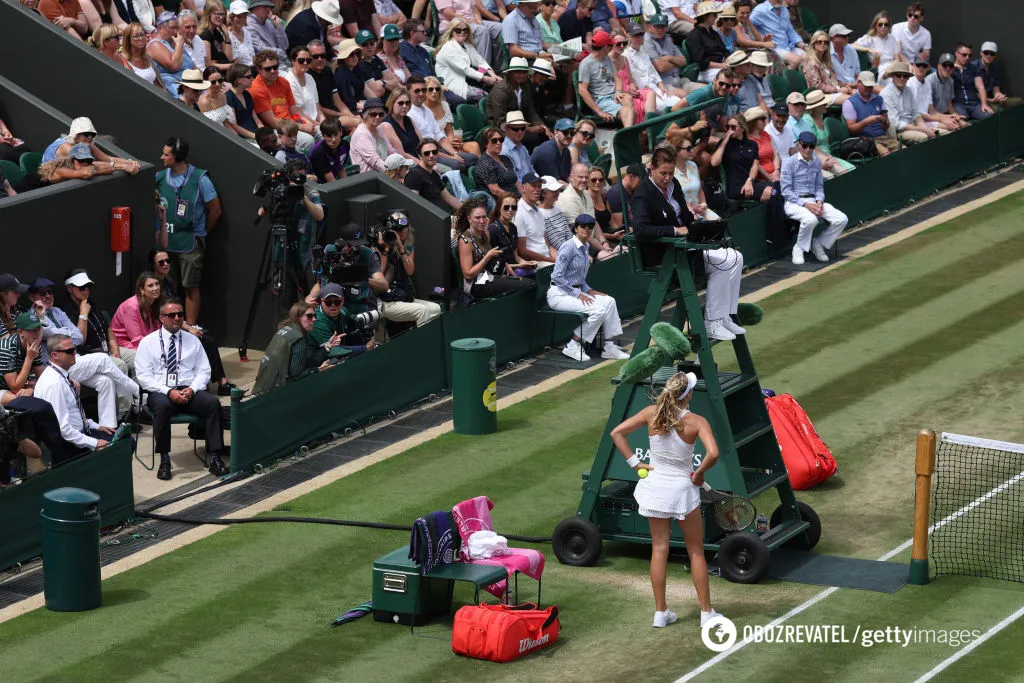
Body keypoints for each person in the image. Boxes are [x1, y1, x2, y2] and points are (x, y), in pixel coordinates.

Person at [609, 371, 723, 629]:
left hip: (656, 487)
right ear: (689, 394)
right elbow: (713, 453)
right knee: (695, 550)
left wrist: (636, 465)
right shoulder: (697, 422)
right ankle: (706, 614)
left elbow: (617, 433)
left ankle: (661, 612)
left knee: (659, 548)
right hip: (681, 490)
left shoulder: (652, 413)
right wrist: (700, 472)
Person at [136, 298, 228, 479]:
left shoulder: (193, 341)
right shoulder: (148, 343)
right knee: (163, 407)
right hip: (161, 391)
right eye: (171, 315)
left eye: (180, 314)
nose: (177, 318)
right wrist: (169, 391)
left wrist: (192, 389)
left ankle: (216, 458)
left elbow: (204, 371)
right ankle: (164, 459)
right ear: (161, 318)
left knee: (212, 403)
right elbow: (143, 377)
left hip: (188, 389)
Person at [546, 214, 630, 361]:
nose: (586, 229)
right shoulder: (568, 247)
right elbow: (557, 277)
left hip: (575, 291)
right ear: (576, 229)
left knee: (609, 301)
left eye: (590, 227)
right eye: (583, 226)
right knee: (598, 310)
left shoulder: (586, 246)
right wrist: (577, 294)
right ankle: (573, 344)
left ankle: (609, 347)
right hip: (559, 294)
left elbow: (579, 279)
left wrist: (589, 290)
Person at [156, 137, 221, 326]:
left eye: (166, 154)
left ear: (177, 157)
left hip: (190, 243)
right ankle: (170, 323)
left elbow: (215, 210)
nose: (162, 157)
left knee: (190, 286)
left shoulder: (200, 179)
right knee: (167, 286)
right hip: (167, 241)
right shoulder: (160, 177)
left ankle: (190, 327)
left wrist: (201, 232)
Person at [34, 334, 118, 453]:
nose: (74, 353)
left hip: (80, 433)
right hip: (71, 444)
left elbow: (73, 414)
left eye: (74, 349)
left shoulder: (60, 375)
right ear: (54, 355)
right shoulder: (55, 384)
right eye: (69, 351)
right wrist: (95, 443)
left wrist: (96, 426)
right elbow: (63, 429)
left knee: (124, 438)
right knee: (123, 444)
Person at [781, 131, 848, 266]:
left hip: (813, 201)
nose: (808, 149)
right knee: (810, 220)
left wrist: (819, 201)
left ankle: (818, 243)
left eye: (811, 147)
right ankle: (799, 248)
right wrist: (805, 204)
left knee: (841, 219)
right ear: (799, 145)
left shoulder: (817, 162)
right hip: (794, 203)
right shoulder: (788, 163)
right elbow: (785, 191)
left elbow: (819, 187)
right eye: (805, 146)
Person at [374, 211, 443, 328]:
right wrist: (385, 249)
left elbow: (410, 270)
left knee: (436, 309)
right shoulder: (381, 246)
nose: (402, 232)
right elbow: (379, 272)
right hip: (386, 302)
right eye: (398, 229)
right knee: (422, 311)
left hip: (403, 297)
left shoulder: (408, 245)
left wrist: (401, 247)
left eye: (405, 228)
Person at [457, 198, 536, 299]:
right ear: (469, 219)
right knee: (527, 286)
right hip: (476, 284)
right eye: (477, 218)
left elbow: (494, 263)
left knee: (530, 283)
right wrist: (487, 257)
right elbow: (468, 275)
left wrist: (515, 265)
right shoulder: (465, 241)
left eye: (484, 217)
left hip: (491, 276)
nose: (482, 221)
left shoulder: (485, 233)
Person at [252, 301, 333, 395]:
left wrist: (327, 345)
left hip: (262, 386)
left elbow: (305, 361)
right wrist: (319, 370)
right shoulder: (299, 339)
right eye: (309, 316)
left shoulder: (285, 329)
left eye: (315, 315)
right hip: (274, 394)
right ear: (298, 318)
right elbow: (297, 376)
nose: (314, 319)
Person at [250, 49, 318, 152]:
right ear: (259, 69)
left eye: (275, 67)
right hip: (277, 130)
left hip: (292, 124)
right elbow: (273, 122)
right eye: (268, 69)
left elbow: (294, 110)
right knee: (308, 140)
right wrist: (302, 127)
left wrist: (303, 123)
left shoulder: (283, 81)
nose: (273, 71)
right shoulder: (256, 88)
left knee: (321, 132)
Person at [408, 76, 475, 171]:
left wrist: (454, 154)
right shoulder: (410, 114)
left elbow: (440, 136)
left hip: (441, 147)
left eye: (423, 90)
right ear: (410, 93)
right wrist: (450, 157)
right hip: (429, 152)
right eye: (417, 91)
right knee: (457, 164)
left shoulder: (427, 111)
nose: (421, 93)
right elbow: (424, 147)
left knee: (473, 158)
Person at [436, 18, 502, 104]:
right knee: (486, 97)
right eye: (458, 30)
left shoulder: (466, 45)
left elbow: (480, 61)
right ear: (452, 32)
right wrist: (487, 79)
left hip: (470, 81)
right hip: (455, 86)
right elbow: (465, 69)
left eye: (465, 30)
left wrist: (493, 75)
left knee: (500, 88)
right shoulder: (448, 48)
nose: (462, 32)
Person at [44, 116, 141, 173]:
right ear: (76, 135)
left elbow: (108, 159)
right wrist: (123, 166)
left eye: (92, 134)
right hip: (50, 180)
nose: (90, 137)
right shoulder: (66, 147)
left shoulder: (85, 144)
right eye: (86, 134)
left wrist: (131, 162)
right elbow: (87, 164)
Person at [110, 272, 163, 373]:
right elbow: (137, 339)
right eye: (151, 285)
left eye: (157, 284)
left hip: (144, 343)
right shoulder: (132, 306)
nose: (156, 288)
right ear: (142, 290)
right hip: (124, 345)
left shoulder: (155, 302)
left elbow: (158, 330)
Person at [307, 283, 376, 354]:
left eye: (337, 302)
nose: (333, 305)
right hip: (319, 357)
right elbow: (331, 351)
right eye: (328, 302)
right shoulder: (317, 321)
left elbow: (355, 322)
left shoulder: (343, 310)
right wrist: (364, 347)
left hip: (341, 345)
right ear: (322, 301)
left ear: (342, 301)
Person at [842, 71, 897, 156]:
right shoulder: (849, 103)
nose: (868, 88)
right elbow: (851, 129)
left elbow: (886, 127)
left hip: (883, 137)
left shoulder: (879, 99)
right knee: (886, 154)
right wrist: (866, 122)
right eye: (866, 86)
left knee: (903, 150)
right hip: (865, 141)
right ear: (858, 83)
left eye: (870, 86)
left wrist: (885, 121)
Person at [881, 61, 935, 145]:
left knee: (936, 133)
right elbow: (894, 124)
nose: (902, 78)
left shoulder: (909, 90)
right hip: (897, 131)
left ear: (908, 78)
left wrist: (926, 128)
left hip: (911, 126)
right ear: (893, 77)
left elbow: (916, 115)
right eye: (899, 75)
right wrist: (922, 129)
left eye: (905, 76)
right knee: (925, 137)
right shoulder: (886, 93)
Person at [488, 192, 537, 278]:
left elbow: (515, 256)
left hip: (515, 267)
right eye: (506, 207)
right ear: (499, 207)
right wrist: (519, 266)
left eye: (513, 207)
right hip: (501, 271)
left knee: (537, 271)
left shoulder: (513, 227)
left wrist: (525, 263)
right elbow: (493, 262)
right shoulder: (492, 230)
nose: (510, 210)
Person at [405, 137, 462, 211]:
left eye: (434, 152)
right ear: (420, 156)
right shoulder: (414, 175)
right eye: (427, 153)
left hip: (445, 216)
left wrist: (469, 211)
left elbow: (449, 198)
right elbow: (413, 205)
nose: (431, 155)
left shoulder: (434, 173)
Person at [672, 136, 720, 221]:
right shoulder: (671, 172)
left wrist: (703, 204)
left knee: (719, 222)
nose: (692, 150)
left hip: (701, 210)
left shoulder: (692, 165)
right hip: (685, 214)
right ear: (677, 151)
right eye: (688, 148)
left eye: (692, 147)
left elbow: (700, 190)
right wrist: (692, 209)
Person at [147, 12, 194, 97]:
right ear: (160, 28)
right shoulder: (155, 45)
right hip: (174, 86)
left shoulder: (175, 43)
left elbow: (192, 65)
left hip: (192, 82)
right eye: (172, 28)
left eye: (177, 28)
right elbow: (174, 66)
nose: (176, 32)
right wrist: (179, 45)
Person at [350, 98, 402, 172]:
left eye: (381, 114)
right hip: (370, 177)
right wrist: (393, 172)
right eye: (373, 114)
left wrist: (401, 163)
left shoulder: (378, 129)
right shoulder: (361, 134)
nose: (377, 117)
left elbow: (391, 151)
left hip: (384, 172)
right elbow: (374, 161)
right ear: (366, 115)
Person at [749, 0, 804, 69]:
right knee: (797, 60)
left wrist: (802, 45)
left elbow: (790, 31)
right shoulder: (760, 10)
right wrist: (759, 39)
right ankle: (780, 75)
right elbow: (746, 23)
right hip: (773, 49)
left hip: (787, 47)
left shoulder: (784, 10)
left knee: (808, 57)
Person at [803, 30, 852, 106]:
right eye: (819, 41)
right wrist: (838, 90)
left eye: (825, 42)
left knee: (857, 93)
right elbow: (817, 86)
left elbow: (832, 80)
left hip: (833, 91)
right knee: (851, 100)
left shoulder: (825, 60)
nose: (823, 44)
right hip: (820, 95)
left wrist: (845, 86)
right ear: (813, 43)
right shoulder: (811, 62)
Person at [685, 2, 728, 83]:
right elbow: (700, 61)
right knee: (729, 77)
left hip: (721, 67)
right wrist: (722, 66)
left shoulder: (714, 33)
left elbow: (724, 50)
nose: (716, 17)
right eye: (714, 15)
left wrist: (730, 61)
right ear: (705, 16)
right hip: (706, 71)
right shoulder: (693, 35)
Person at [854, 12, 898, 87]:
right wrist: (868, 49)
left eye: (886, 24)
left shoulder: (892, 38)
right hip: (878, 68)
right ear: (876, 26)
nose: (883, 27)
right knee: (891, 82)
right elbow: (853, 45)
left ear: (889, 26)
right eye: (880, 24)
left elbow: (896, 59)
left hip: (892, 66)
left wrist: (891, 69)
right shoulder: (870, 38)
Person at [284, 46, 325, 128]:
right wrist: (320, 126)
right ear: (293, 61)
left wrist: (325, 124)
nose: (305, 63)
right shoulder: (288, 81)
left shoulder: (310, 78)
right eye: (301, 60)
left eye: (308, 60)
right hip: (304, 123)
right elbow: (298, 112)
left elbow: (318, 109)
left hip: (316, 123)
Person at [924, 53, 967, 130]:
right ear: (939, 66)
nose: (948, 68)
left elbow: (949, 104)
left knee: (965, 124)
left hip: (943, 115)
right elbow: (930, 112)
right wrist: (947, 118)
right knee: (955, 127)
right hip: (929, 118)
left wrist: (956, 116)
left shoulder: (951, 81)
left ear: (953, 68)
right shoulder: (929, 81)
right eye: (945, 65)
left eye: (950, 66)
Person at [476, 126, 519, 198]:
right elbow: (495, 190)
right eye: (494, 140)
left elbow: (516, 183)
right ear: (486, 144)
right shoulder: (485, 162)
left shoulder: (505, 158)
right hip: (502, 203)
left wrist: (525, 198)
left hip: (516, 198)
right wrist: (515, 200)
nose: (498, 143)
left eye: (501, 140)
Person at [973, 42, 1014, 115]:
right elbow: (971, 93)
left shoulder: (995, 68)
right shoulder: (972, 67)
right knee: (999, 111)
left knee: (1018, 102)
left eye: (992, 54)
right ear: (981, 53)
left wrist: (999, 96)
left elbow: (996, 89)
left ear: (995, 55)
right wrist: (990, 100)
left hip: (991, 99)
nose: (989, 56)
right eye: (986, 53)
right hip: (976, 100)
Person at [247, 0, 290, 67]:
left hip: (281, 62)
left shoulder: (269, 23)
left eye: (270, 7)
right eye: (264, 6)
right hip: (266, 66)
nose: (268, 9)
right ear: (254, 8)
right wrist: (281, 52)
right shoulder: (248, 24)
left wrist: (278, 27)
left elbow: (284, 46)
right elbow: (261, 49)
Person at [310, 117, 349, 183]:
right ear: (323, 136)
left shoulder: (345, 145)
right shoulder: (319, 152)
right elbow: (331, 181)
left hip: (333, 178)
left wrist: (348, 184)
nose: (333, 140)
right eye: (329, 136)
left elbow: (340, 168)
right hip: (320, 184)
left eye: (336, 135)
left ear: (341, 132)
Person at [225, 63, 258, 140]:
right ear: (239, 80)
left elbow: (256, 119)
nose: (252, 79)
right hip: (245, 138)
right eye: (248, 77)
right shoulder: (228, 97)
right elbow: (234, 125)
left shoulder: (247, 94)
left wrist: (263, 131)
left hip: (256, 134)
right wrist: (254, 136)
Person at [200, 0, 233, 72]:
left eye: (223, 14)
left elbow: (229, 58)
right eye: (217, 14)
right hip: (215, 75)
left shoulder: (217, 33)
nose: (221, 17)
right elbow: (208, 64)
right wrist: (230, 66)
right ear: (209, 14)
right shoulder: (205, 35)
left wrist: (227, 36)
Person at [607, 162, 642, 229]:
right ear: (631, 177)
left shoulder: (633, 190)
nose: (641, 185)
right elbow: (618, 226)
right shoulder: (616, 194)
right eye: (640, 181)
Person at [226, 0, 256, 66]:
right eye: (239, 16)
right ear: (232, 17)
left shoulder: (246, 32)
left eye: (244, 16)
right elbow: (233, 61)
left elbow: (253, 57)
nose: (242, 19)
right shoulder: (227, 34)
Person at [0, 274, 28, 338]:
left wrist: (40, 317)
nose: (19, 295)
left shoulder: (19, 310)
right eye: (15, 291)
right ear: (3, 294)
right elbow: (9, 344)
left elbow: (34, 333)